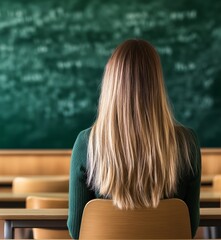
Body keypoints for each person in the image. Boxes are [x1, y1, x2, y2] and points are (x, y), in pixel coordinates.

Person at [67, 39, 201, 239]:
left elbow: (77, 230)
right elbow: (189, 227)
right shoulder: (187, 143)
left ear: (111, 84)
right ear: (157, 84)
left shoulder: (87, 143)